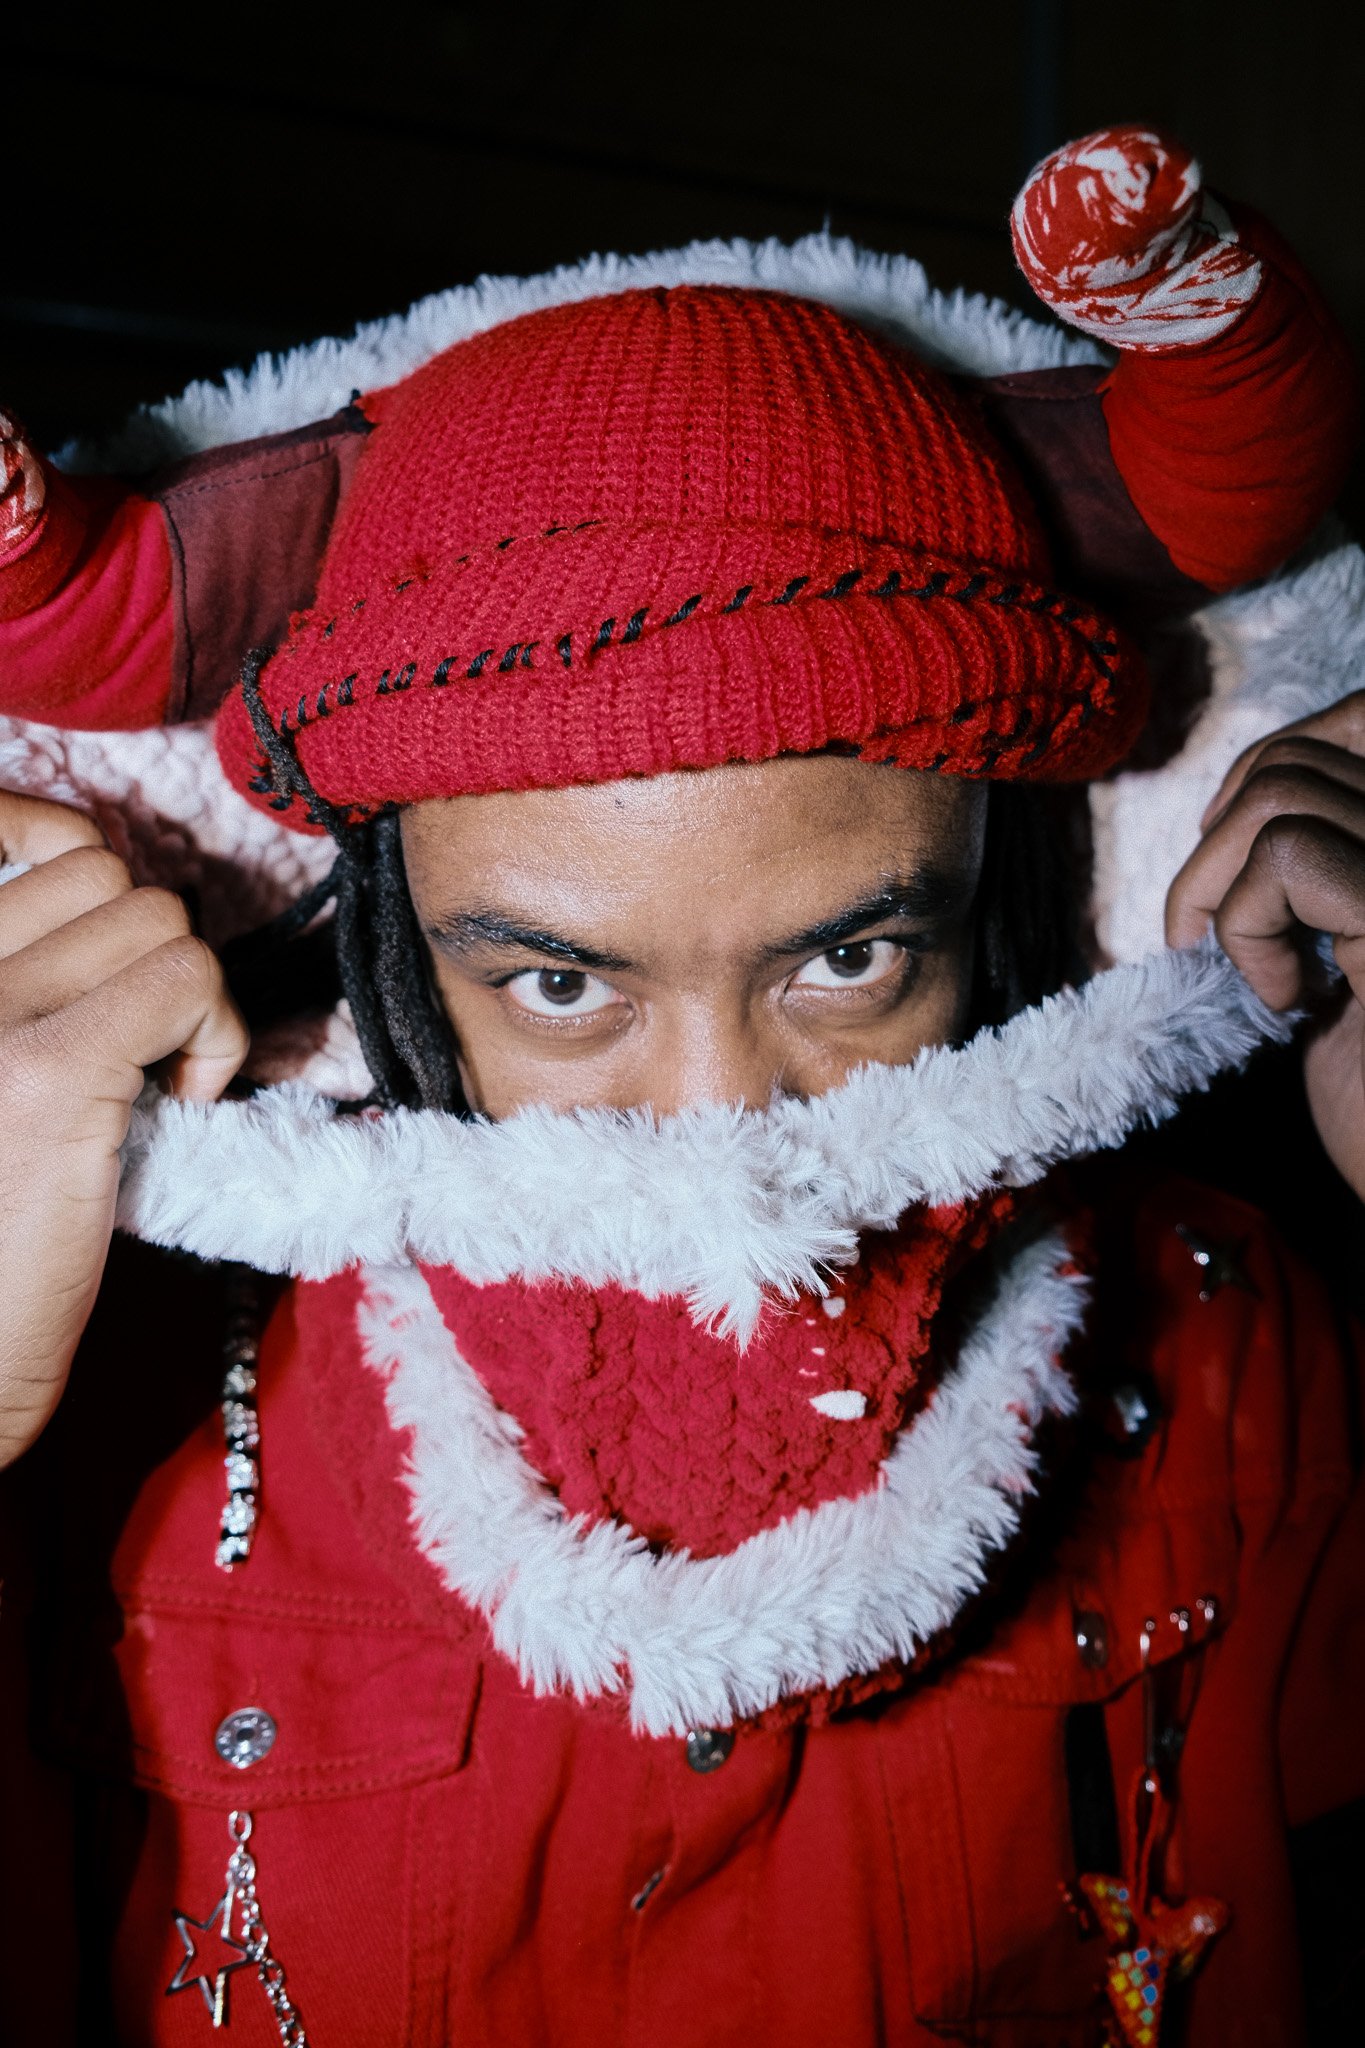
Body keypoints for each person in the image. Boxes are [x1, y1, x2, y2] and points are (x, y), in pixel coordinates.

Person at [0, 126, 1362, 2046]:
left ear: (1015, 899)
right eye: (561, 983)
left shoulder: (1227, 1347)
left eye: (849, 957)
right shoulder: (96, 1366)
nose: (726, 1125)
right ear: (392, 953)